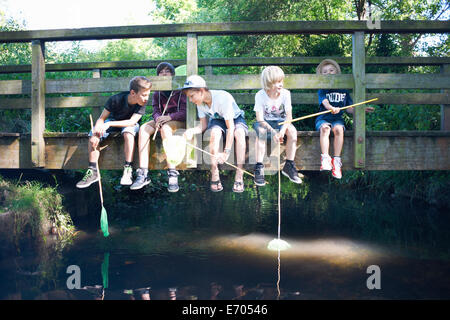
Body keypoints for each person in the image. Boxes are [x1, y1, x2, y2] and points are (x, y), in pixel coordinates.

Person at [76, 76, 152, 188]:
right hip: (111, 121)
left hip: (128, 124)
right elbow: (101, 118)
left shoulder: (142, 103)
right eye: (144, 95)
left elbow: (131, 121)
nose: (146, 98)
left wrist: (109, 124)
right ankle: (93, 171)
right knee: (93, 135)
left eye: (148, 95)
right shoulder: (115, 99)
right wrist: (96, 132)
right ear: (133, 93)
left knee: (128, 132)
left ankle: (128, 169)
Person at [182, 75, 248, 193]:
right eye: (189, 97)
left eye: (192, 96)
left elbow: (230, 126)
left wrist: (226, 152)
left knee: (239, 134)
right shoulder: (200, 104)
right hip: (217, 119)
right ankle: (214, 171)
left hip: (235, 119)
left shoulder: (222, 98)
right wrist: (191, 131)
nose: (191, 100)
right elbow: (203, 125)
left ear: (201, 91)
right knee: (214, 133)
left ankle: (239, 173)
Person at [130, 62, 187, 192]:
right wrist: (157, 119)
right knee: (144, 128)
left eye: (167, 71)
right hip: (161, 121)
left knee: (166, 128)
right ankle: (143, 173)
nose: (164, 73)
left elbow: (185, 112)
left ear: (173, 74)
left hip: (177, 120)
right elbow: (155, 110)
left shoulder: (180, 90)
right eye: (161, 72)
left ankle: (172, 172)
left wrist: (170, 117)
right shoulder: (157, 93)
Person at [315, 59, 374, 179]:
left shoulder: (344, 90)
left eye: (331, 70)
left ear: (337, 72)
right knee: (325, 129)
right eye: (325, 72)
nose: (329, 73)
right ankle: (325, 158)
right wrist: (331, 107)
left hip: (337, 119)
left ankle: (336, 161)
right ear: (321, 75)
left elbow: (349, 108)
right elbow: (325, 102)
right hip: (323, 118)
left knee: (338, 130)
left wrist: (360, 110)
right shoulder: (323, 88)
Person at [252, 66, 302, 186]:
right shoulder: (260, 95)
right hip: (265, 123)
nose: (281, 84)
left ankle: (289, 165)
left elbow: (289, 117)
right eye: (277, 82)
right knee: (261, 134)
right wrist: (274, 132)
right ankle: (259, 168)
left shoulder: (286, 94)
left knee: (293, 133)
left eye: (281, 81)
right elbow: (260, 118)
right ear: (269, 84)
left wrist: (283, 130)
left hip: (282, 122)